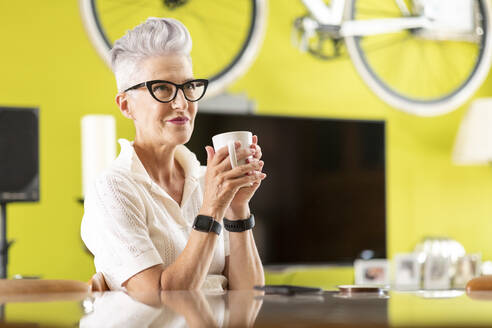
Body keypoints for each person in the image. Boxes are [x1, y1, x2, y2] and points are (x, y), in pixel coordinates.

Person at [81, 17, 266, 294]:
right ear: (126, 105)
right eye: (162, 88)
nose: (182, 103)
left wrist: (237, 208)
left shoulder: (208, 181)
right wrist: (213, 209)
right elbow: (162, 299)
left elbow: (249, 295)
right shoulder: (113, 190)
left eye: (189, 87)